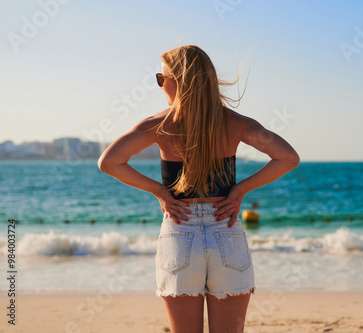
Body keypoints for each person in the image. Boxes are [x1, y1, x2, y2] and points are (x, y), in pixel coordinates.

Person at [98, 44, 300, 332]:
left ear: (177, 81)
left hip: (180, 230)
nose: (160, 85)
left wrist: (160, 191)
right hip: (225, 227)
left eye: (160, 78)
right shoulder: (236, 123)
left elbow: (109, 162)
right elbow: (288, 158)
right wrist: (240, 190)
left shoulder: (159, 124)